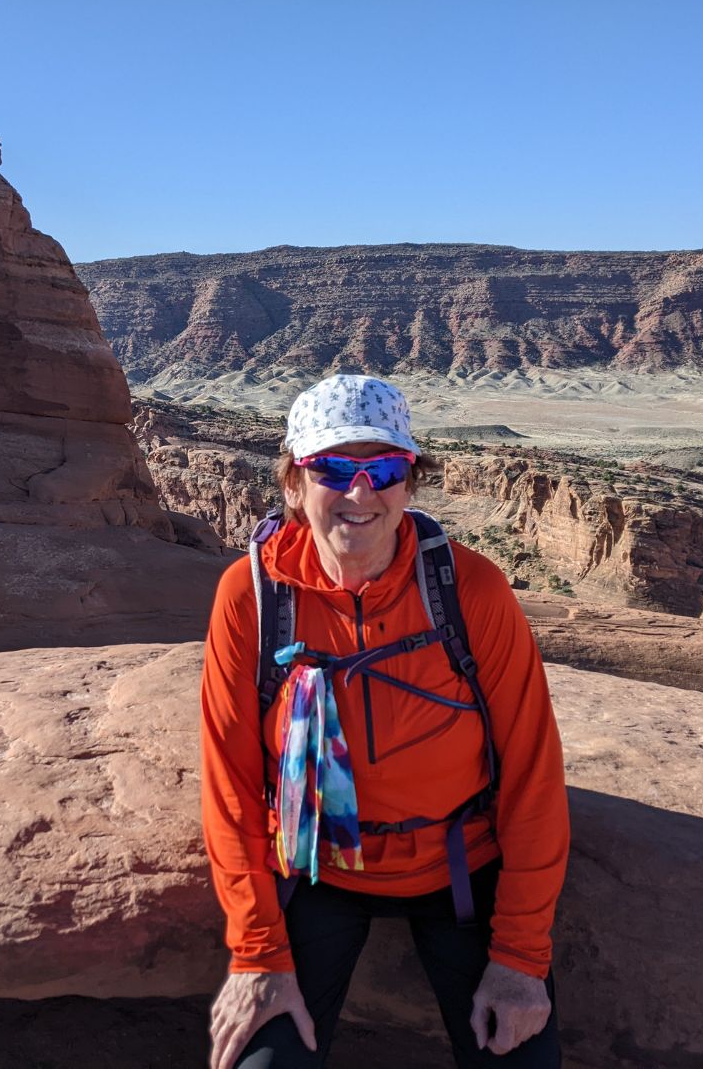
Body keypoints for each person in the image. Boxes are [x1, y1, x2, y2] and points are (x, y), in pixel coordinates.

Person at [200, 373, 569, 1068]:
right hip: (316, 871)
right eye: (334, 468)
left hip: (459, 868)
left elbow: (531, 774)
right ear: (292, 483)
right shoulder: (251, 598)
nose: (361, 492)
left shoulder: (469, 590)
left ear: (410, 481)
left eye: (385, 469)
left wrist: (521, 957)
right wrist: (257, 954)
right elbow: (230, 784)